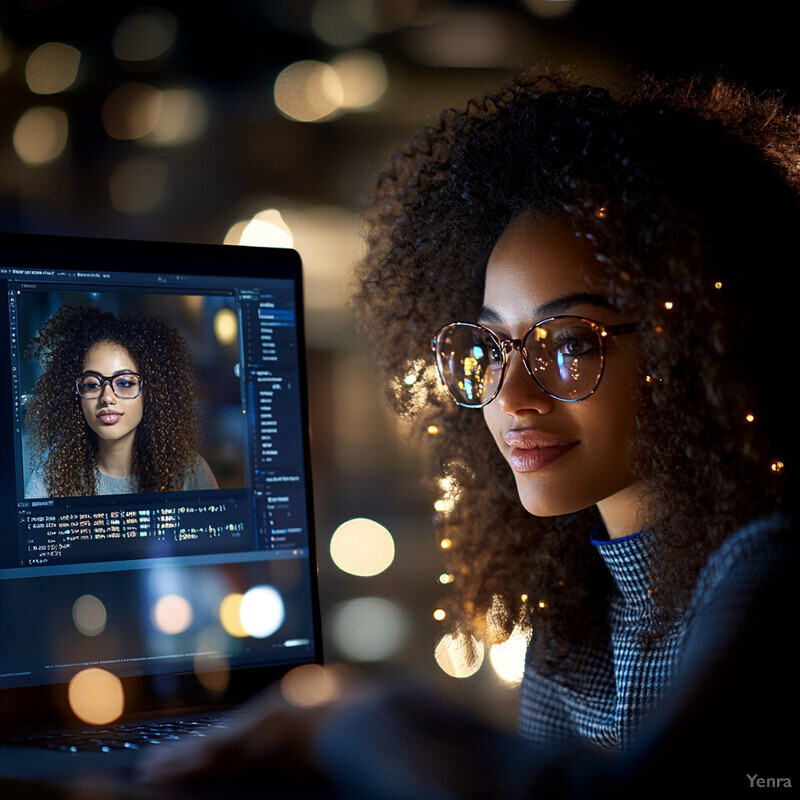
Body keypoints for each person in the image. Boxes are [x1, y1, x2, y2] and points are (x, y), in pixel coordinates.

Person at [139, 69, 797, 794]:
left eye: (570, 343)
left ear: (700, 344)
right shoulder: (574, 613)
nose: (511, 397)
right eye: (487, 349)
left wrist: (348, 717)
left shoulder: (771, 571)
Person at [25, 302, 218, 497]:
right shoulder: (55, 471)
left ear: (150, 391)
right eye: (92, 384)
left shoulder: (188, 473)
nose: (107, 397)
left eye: (125, 383)